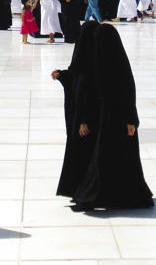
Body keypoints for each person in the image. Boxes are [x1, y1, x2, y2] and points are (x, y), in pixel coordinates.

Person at [70, 24, 152, 211]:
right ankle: (103, 193)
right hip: (106, 119)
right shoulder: (98, 64)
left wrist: (132, 121)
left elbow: (128, 92)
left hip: (122, 121)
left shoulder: (119, 66)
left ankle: (121, 194)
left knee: (121, 159)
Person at [51, 20, 98, 198]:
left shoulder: (94, 64)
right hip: (80, 120)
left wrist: (85, 120)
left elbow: (90, 94)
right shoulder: (85, 60)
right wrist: (62, 75)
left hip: (84, 121)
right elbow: (74, 77)